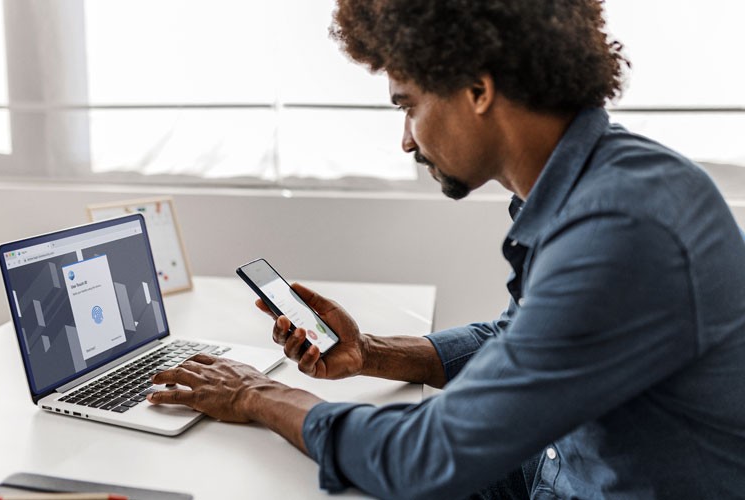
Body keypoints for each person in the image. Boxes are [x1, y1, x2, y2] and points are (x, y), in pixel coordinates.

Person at [147, 1, 745, 498]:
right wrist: (370, 352)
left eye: (408, 106)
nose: (406, 141)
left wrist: (256, 394)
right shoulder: (594, 185)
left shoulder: (621, 229)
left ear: (478, 89)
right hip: (549, 472)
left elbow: (429, 457)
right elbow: (517, 340)